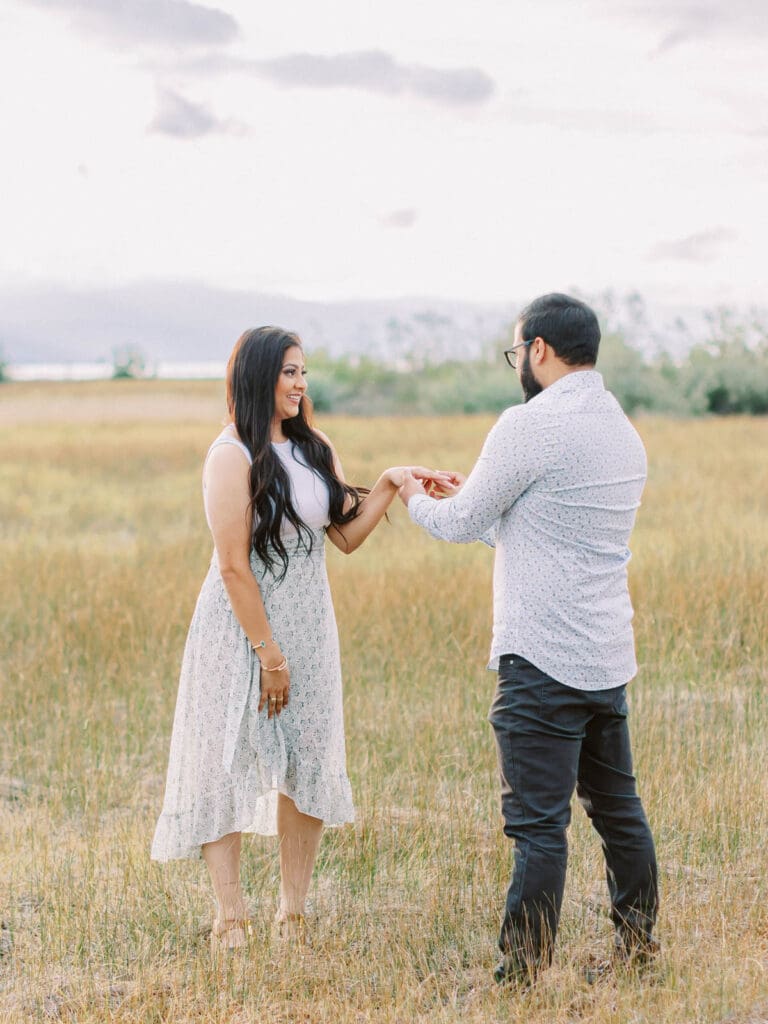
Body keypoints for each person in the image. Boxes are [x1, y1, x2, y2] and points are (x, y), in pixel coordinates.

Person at [151, 326, 448, 951]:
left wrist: (391, 481)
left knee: (308, 759)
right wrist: (268, 652)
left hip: (311, 623)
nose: (300, 383)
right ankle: (229, 916)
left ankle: (293, 911)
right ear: (259, 377)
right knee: (225, 757)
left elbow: (343, 535)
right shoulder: (229, 454)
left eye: (304, 372)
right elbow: (232, 563)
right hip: (241, 628)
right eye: (289, 372)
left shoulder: (316, 447)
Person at [398, 293, 659, 985]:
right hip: (604, 657)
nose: (519, 363)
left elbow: (459, 528)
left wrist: (410, 493)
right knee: (619, 813)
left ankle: (522, 977)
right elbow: (541, 528)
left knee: (539, 828)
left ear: (538, 349)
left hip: (541, 659)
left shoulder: (527, 424)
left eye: (518, 351)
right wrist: (474, 494)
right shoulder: (622, 433)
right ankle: (639, 954)